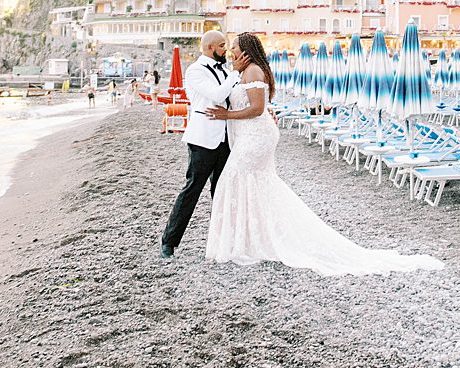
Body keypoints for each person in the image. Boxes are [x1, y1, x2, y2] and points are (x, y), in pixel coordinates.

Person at [203, 32, 442, 276]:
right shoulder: (244, 71)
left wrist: (227, 116)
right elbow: (254, 104)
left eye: (233, 47)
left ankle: (252, 241)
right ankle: (252, 239)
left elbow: (256, 108)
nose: (230, 51)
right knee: (251, 183)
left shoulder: (253, 71)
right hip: (251, 135)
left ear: (245, 50)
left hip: (256, 137)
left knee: (236, 178)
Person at [159, 30, 238, 257]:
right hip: (203, 139)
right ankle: (169, 241)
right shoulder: (194, 71)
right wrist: (234, 75)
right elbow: (216, 95)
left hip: (226, 138)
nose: (226, 49)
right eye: (222, 45)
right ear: (210, 47)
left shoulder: (223, 70)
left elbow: (230, 98)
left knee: (221, 191)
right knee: (192, 189)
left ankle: (221, 241)